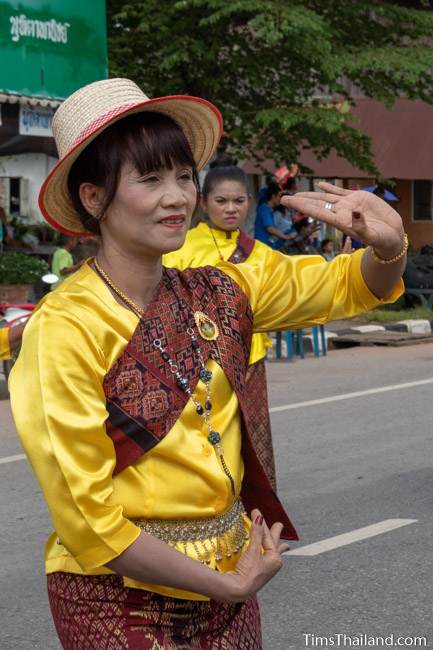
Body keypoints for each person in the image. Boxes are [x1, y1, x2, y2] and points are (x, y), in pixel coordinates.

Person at [9, 78, 406, 650]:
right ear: (94, 198)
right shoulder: (64, 327)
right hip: (116, 598)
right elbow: (88, 520)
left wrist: (388, 246)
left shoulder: (220, 290)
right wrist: (229, 585)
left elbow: (346, 286)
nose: (177, 197)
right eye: (150, 179)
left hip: (230, 577)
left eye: (182, 176)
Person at [164, 164, 277, 489]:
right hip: (200, 362)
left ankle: (261, 523)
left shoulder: (261, 254)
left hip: (250, 358)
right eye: (221, 201)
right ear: (203, 202)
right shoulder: (182, 246)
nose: (230, 209)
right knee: (203, 438)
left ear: (250, 202)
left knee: (253, 441)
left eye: (238, 201)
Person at [254, 182, 294, 249]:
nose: (280, 199)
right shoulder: (264, 208)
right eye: (279, 196)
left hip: (266, 244)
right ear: (273, 196)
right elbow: (270, 229)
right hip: (262, 245)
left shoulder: (268, 209)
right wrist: (286, 236)